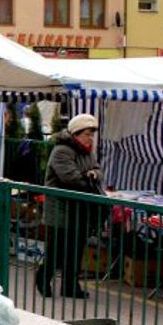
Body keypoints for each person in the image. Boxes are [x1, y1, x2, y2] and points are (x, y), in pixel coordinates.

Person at [35, 114, 106, 300]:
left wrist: (94, 174)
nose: (90, 138)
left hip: (79, 210)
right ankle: (43, 278)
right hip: (60, 210)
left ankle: (70, 287)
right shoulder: (62, 151)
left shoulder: (87, 151)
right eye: (87, 134)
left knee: (75, 251)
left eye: (92, 134)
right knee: (56, 250)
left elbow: (98, 170)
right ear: (76, 133)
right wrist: (89, 177)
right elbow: (71, 178)